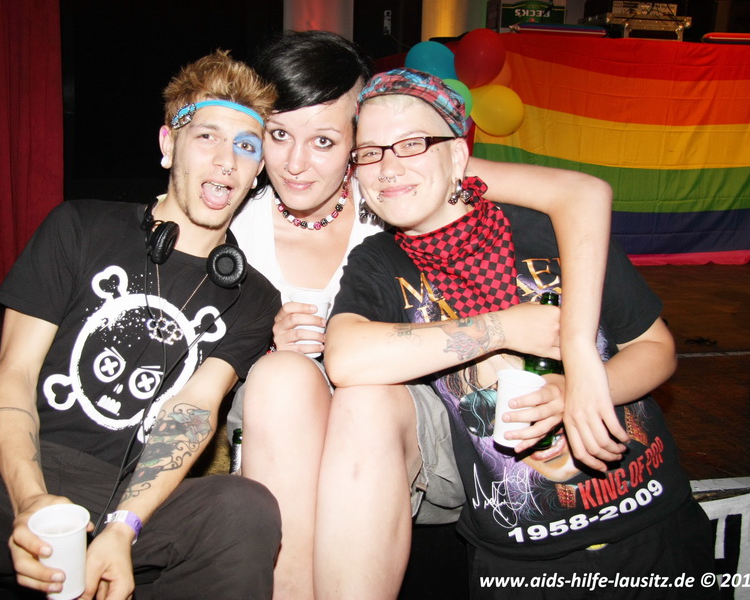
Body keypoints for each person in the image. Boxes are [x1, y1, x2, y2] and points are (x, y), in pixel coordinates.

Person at [0, 51, 283, 600]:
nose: (227, 160)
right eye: (207, 136)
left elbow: (192, 412)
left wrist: (123, 527)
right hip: (7, 466)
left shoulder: (253, 297)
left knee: (244, 509)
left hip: (130, 497)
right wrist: (30, 501)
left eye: (247, 146)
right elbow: (14, 373)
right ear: (168, 144)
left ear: (257, 172)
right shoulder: (79, 226)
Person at [228, 31, 620, 599]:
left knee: (365, 399)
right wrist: (259, 340)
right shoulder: (235, 222)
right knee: (282, 375)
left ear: (360, 138)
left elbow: (582, 194)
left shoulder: (398, 182)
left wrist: (579, 353)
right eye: (279, 134)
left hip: (401, 422)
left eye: (325, 140)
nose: (295, 164)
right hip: (282, 425)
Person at [315, 68, 715, 599]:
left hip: (653, 532)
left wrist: (581, 389)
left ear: (458, 156)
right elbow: (345, 358)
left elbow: (656, 348)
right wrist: (501, 328)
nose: (389, 167)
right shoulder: (380, 263)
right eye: (370, 152)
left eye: (412, 144)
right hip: (519, 561)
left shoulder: (549, 228)